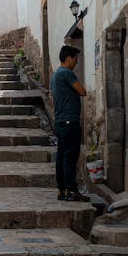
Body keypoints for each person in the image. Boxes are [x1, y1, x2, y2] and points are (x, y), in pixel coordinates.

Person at [50, 45, 88, 202]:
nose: (76, 62)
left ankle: (62, 190)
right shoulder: (66, 73)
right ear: (68, 58)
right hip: (69, 122)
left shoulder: (55, 75)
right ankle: (71, 190)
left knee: (61, 156)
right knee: (70, 157)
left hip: (60, 122)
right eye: (75, 59)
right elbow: (82, 91)